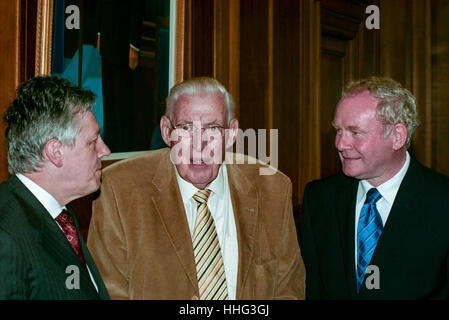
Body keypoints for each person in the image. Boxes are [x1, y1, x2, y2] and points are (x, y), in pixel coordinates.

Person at [87, 77, 305, 299]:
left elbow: (289, 289)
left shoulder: (272, 189)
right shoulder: (118, 189)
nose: (199, 144)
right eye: (186, 128)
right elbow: (107, 293)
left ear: (231, 133)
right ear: (166, 131)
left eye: (212, 128)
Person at [300, 76, 449, 299]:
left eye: (355, 132)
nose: (340, 144)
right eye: (338, 131)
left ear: (397, 136)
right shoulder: (320, 198)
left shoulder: (442, 202)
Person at [0, 76, 111, 299]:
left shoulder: (60, 215)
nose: (105, 151)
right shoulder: (7, 234)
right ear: (55, 152)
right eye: (93, 141)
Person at [96, 0, 144, 152]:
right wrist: (99, 33)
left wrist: (134, 45)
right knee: (109, 103)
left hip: (124, 46)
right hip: (106, 42)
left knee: (123, 106)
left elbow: (137, 8)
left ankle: (123, 150)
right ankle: (110, 148)